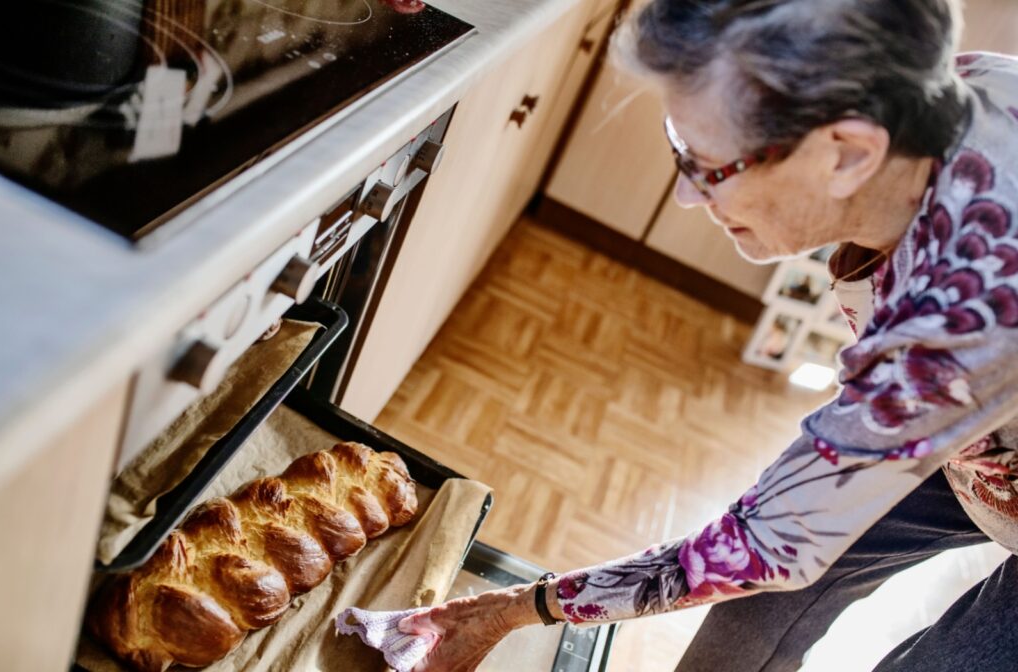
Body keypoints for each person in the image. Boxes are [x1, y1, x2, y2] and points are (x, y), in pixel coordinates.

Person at [397, 1, 1018, 669]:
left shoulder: (965, 305)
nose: (689, 195)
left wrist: (513, 608)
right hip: (984, 444)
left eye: (708, 164)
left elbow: (764, 543)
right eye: (679, 144)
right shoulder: (960, 87)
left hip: (981, 416)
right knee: (756, 602)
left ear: (848, 153)